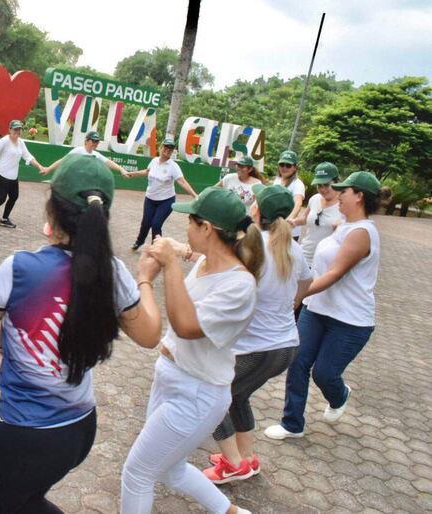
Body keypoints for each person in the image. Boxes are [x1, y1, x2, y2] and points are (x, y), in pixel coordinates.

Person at [0, 155, 162, 513]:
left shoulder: (20, 267)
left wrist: (12, 345)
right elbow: (150, 335)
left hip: (28, 432)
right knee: (25, 500)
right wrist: (146, 277)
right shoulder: (114, 272)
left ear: (51, 211)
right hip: (79, 428)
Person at [120, 187, 263, 514]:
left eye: (191, 222)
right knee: (171, 468)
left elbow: (185, 324)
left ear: (207, 229)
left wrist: (159, 271)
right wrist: (179, 251)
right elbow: (197, 255)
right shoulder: (208, 261)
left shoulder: (239, 285)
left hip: (196, 393)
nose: (185, 227)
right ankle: (232, 512)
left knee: (138, 472)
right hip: (172, 377)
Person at [202, 184, 312, 484]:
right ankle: (248, 459)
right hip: (286, 346)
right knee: (238, 396)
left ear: (257, 210)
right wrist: (290, 306)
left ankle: (232, 463)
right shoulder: (294, 248)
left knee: (210, 396)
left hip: (257, 349)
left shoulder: (251, 247)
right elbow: (305, 285)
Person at [265, 171, 383, 440]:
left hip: (350, 320)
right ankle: (292, 424)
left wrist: (294, 295)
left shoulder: (362, 232)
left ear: (360, 196)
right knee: (297, 362)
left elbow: (333, 275)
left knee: (325, 373)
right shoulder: (343, 224)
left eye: (345, 191)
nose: (339, 195)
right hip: (316, 309)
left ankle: (339, 395)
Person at [124, 138, 199, 250]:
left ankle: (157, 249)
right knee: (145, 223)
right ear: (161, 147)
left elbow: (182, 182)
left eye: (171, 148)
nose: (168, 150)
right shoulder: (154, 161)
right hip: (150, 199)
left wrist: (196, 196)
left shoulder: (173, 166)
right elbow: (147, 171)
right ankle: (139, 242)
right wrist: (132, 174)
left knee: (156, 224)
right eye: (166, 147)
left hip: (166, 201)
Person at [0, 120, 45, 231]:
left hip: (13, 176)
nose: (17, 131)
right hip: (2, 174)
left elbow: (28, 156)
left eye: (19, 129)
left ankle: (4, 219)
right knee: (1, 199)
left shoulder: (21, 142)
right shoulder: (4, 141)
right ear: (9, 129)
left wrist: (40, 167)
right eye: (15, 129)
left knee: (14, 196)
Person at [292, 162, 344, 265]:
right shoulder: (315, 199)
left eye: (326, 185)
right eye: (319, 185)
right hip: (304, 256)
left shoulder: (344, 204)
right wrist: (291, 222)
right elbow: (304, 219)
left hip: (326, 262)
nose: (323, 189)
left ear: (336, 182)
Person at [40, 131, 128, 175]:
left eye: (97, 142)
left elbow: (109, 163)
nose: (96, 143)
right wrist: (48, 169)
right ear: (86, 141)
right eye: (93, 141)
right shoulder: (77, 151)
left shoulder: (96, 155)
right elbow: (63, 161)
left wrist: (121, 169)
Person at [272, 150, 305, 240]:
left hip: (289, 231)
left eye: (288, 165)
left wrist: (287, 221)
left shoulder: (297, 184)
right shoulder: (277, 180)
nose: (284, 168)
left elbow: (298, 204)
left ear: (295, 167)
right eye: (282, 164)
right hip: (275, 225)